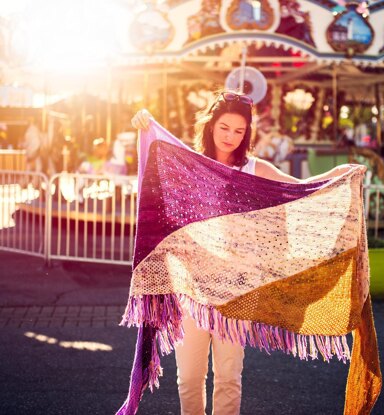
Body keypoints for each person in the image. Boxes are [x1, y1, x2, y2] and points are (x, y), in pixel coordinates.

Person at [131, 89, 351, 415]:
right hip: (192, 287)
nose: (231, 137)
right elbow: (155, 188)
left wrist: (335, 176)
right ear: (210, 125)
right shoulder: (191, 165)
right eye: (224, 128)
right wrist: (146, 130)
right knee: (189, 378)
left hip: (237, 288)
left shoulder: (254, 169)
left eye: (239, 131)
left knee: (229, 377)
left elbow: (296, 191)